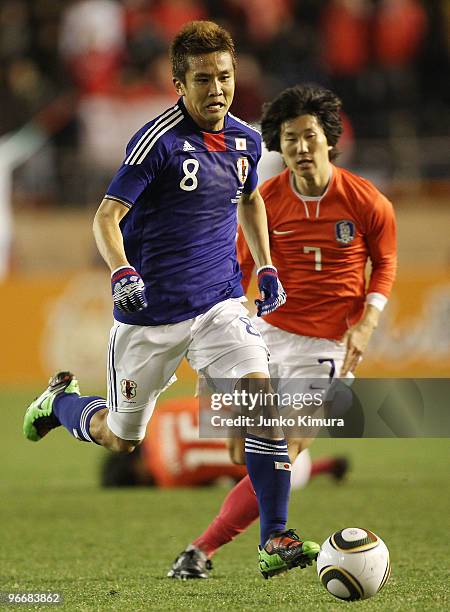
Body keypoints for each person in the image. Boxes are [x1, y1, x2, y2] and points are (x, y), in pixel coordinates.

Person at [23, 21, 320, 578]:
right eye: (203, 79)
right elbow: (106, 216)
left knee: (262, 403)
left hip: (219, 306)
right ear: (178, 84)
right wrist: (121, 272)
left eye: (225, 77)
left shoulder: (246, 140)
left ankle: (275, 536)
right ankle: (58, 406)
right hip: (150, 319)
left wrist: (268, 263)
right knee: (121, 437)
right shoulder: (156, 141)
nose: (217, 89)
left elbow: (250, 199)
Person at [168, 83, 397, 579]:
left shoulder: (365, 201)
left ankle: (202, 550)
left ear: (329, 138)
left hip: (328, 344)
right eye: (290, 138)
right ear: (278, 145)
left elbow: (386, 261)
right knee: (239, 450)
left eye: (309, 135)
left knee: (286, 446)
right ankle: (228, 540)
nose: (301, 147)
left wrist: (368, 321)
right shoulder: (264, 199)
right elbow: (236, 268)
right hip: (266, 336)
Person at [100, 396, 349, 488]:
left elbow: (218, 480)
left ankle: (320, 468)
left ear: (135, 473)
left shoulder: (168, 477)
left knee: (236, 477)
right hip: (280, 416)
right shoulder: (161, 413)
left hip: (286, 472)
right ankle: (323, 465)